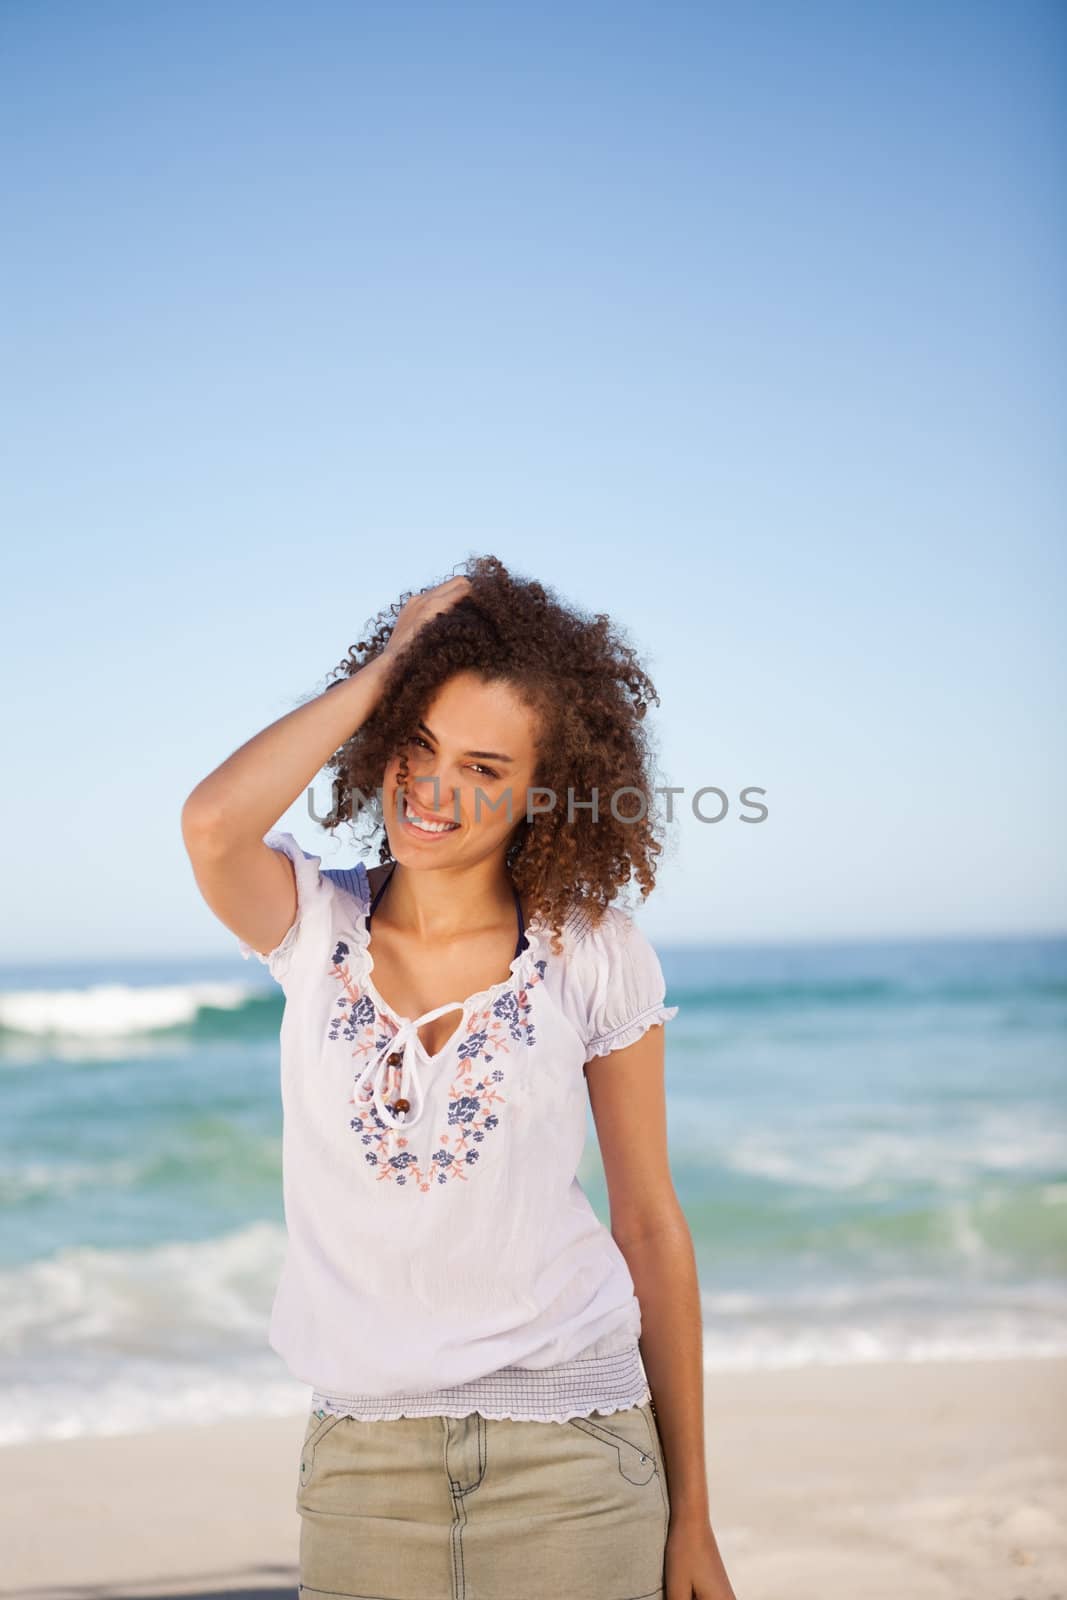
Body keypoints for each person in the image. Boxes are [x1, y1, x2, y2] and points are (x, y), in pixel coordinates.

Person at [181, 556, 739, 1600]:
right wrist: (390, 665)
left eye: (485, 768)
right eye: (418, 743)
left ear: (543, 791)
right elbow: (213, 824)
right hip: (362, 1469)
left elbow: (650, 1225)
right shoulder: (312, 926)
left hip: (578, 1455)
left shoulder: (592, 951)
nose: (435, 789)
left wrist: (694, 1516)